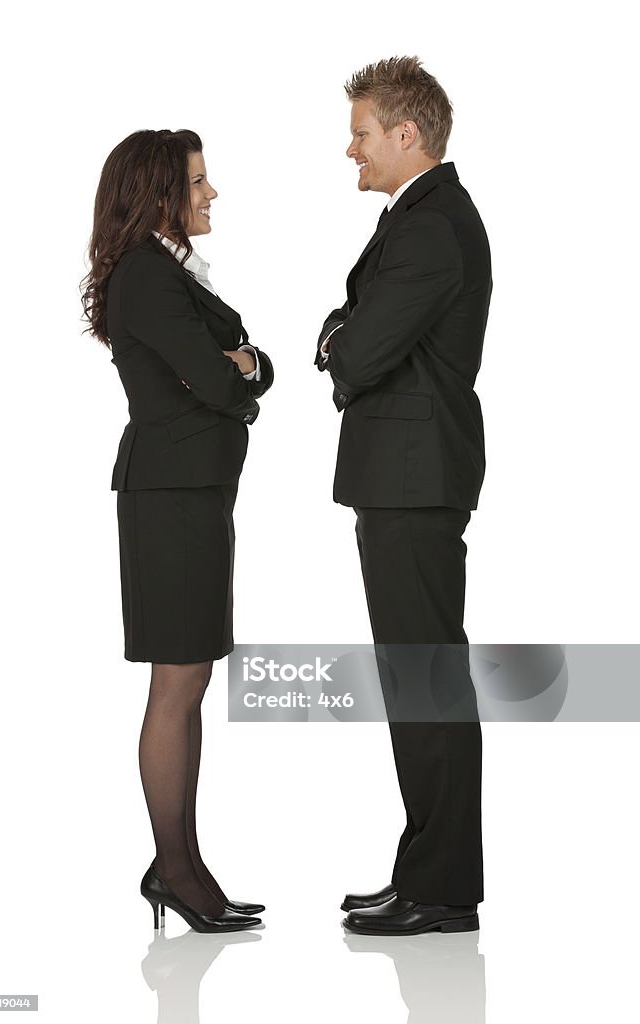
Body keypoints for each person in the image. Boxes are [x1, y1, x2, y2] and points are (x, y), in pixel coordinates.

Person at [315, 57, 492, 936]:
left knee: (425, 678)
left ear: (405, 133)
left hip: (414, 478)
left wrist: (339, 340)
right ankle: (426, 870)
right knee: (416, 676)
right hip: (406, 476)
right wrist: (344, 333)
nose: (351, 149)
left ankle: (442, 890)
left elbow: (358, 347)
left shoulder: (430, 227)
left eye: (360, 132)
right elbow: (354, 330)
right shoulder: (422, 219)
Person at [81, 129, 273, 933]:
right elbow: (221, 384)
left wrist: (245, 365)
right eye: (198, 180)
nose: (211, 192)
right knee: (177, 685)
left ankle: (182, 866)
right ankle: (175, 870)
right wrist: (239, 370)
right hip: (172, 499)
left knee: (187, 684)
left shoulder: (161, 273)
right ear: (161, 191)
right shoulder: (149, 279)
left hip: (188, 496)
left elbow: (246, 367)